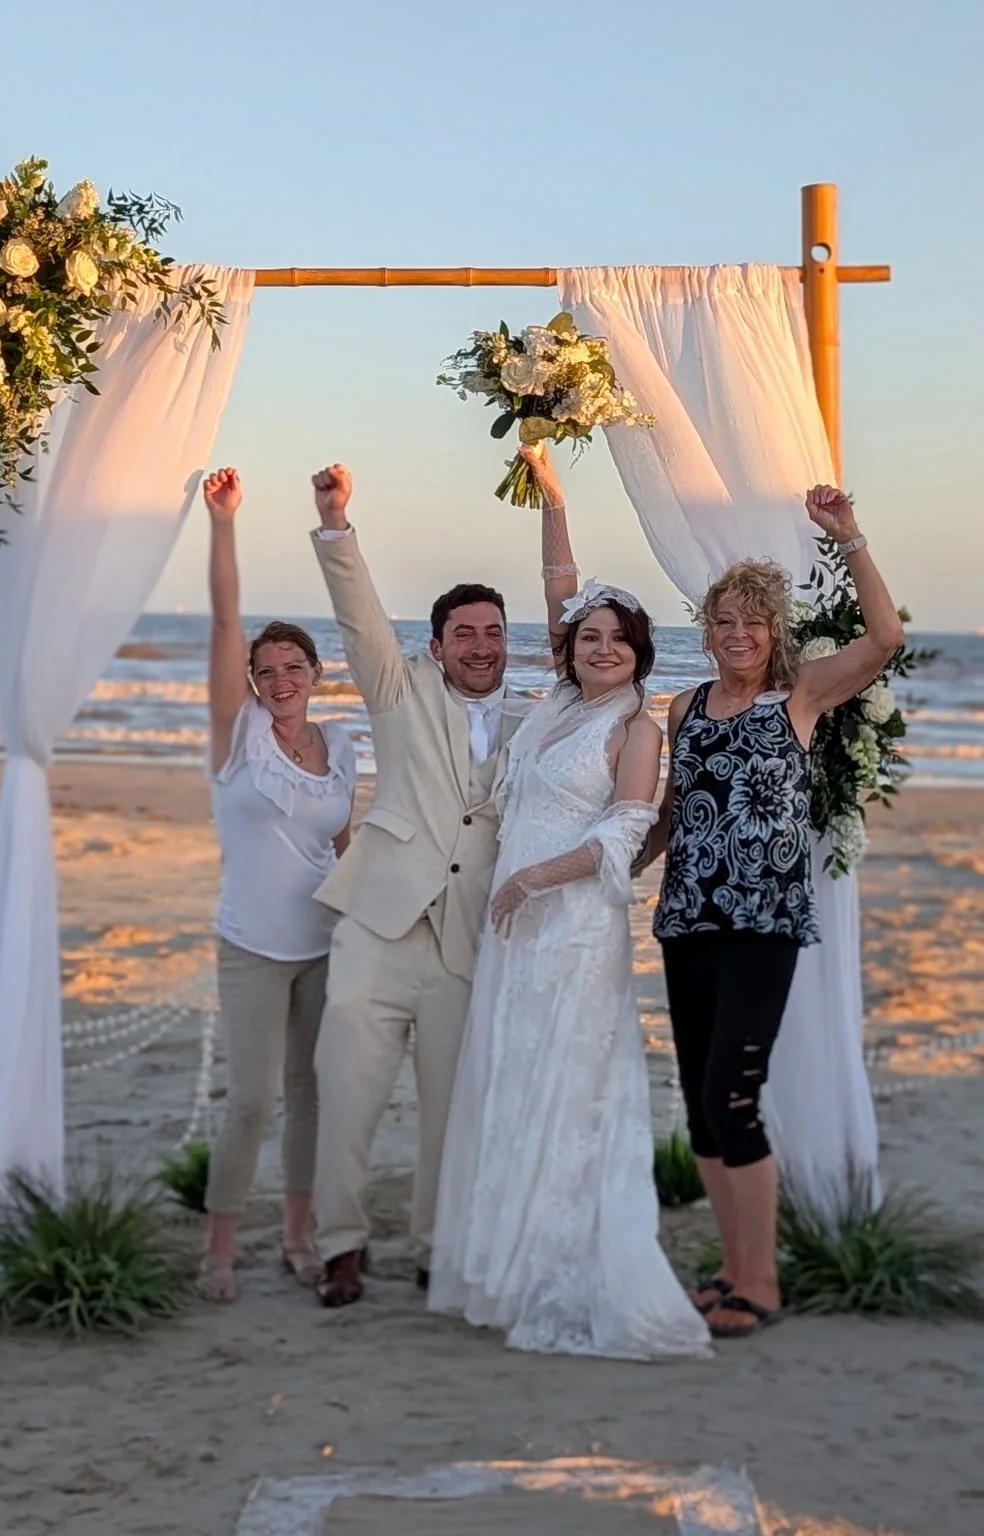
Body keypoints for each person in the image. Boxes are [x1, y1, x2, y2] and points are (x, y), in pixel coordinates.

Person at [428, 444, 710, 1359]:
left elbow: (629, 834)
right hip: (520, 926)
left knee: (564, 1088)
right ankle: (501, 1266)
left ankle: (561, 1264)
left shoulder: (633, 727)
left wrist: (531, 878)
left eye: (614, 640)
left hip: (574, 923)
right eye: (587, 637)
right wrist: (551, 492)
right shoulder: (556, 705)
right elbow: (561, 583)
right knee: (511, 1078)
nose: (597, 647)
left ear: (637, 655)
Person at [641, 485, 905, 1340]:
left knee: (733, 1096)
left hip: (762, 926)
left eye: (754, 622)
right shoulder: (683, 708)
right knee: (700, 1105)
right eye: (725, 622)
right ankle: (729, 1267)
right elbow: (676, 813)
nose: (739, 635)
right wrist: (615, 865)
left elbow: (886, 639)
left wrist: (850, 538)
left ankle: (764, 1280)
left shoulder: (798, 699)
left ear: (774, 631)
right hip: (689, 920)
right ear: (709, 630)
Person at [307, 462, 531, 1307]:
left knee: (451, 1108)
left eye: (493, 633)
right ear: (436, 646)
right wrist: (335, 525)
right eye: (464, 633)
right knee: (348, 1095)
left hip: (468, 938)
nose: (481, 646)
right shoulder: (400, 692)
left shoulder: (536, 720)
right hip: (378, 924)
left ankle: (437, 1249)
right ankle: (339, 1247)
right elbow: (359, 617)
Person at [199, 467, 357, 1303]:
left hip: (323, 946)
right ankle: (219, 1249)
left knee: (315, 1097)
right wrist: (225, 523)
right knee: (253, 1100)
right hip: (253, 948)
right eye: (267, 671)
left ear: (316, 673)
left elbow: (340, 840)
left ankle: (298, 1239)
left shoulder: (341, 746)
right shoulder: (237, 740)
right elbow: (226, 620)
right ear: (254, 682)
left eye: (294, 666)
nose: (280, 679)